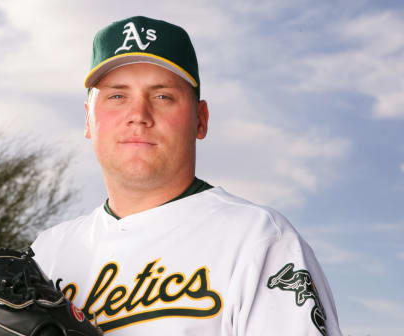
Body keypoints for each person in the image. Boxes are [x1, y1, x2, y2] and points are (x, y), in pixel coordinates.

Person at [32, 16, 342, 335]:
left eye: (162, 96)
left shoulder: (260, 241)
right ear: (88, 120)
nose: (138, 115)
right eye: (117, 96)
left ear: (200, 119)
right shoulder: (47, 253)